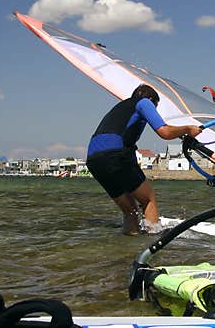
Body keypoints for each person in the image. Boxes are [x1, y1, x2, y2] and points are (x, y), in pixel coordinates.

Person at [86, 84, 203, 236]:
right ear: (150, 99)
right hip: (115, 154)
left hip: (94, 161)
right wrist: (188, 129)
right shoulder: (144, 102)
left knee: (130, 211)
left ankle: (131, 246)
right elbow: (164, 132)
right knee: (148, 200)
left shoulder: (120, 107)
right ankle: (153, 242)